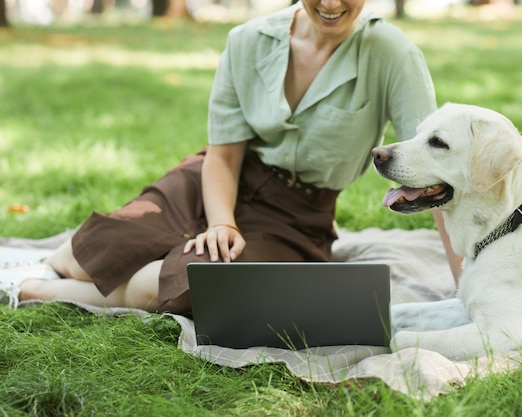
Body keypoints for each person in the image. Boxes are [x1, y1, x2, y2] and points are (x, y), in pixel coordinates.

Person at [2, 0, 458, 313]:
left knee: (181, 285)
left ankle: (34, 286)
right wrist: (221, 222)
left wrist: (465, 286)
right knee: (95, 253)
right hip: (214, 180)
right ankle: (56, 266)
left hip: (295, 218)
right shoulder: (248, 40)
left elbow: (433, 167)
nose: (332, 2)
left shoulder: (392, 53)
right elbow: (222, 156)